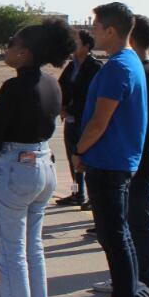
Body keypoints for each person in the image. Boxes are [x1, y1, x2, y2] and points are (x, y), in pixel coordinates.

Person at [0, 18, 76, 297]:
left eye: (11, 44)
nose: (7, 50)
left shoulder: (14, 87)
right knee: (33, 251)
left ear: (24, 52)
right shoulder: (53, 84)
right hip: (44, 164)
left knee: (11, 254)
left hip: (16, 164)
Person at [74, 2, 147, 297]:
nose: (94, 31)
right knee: (118, 234)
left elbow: (99, 122)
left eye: (97, 25)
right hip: (117, 161)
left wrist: (79, 151)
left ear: (112, 30)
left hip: (108, 162)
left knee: (114, 235)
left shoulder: (118, 67)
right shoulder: (129, 62)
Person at [94, 15, 149, 297]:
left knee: (139, 220)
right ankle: (127, 278)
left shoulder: (147, 72)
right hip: (132, 154)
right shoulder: (139, 68)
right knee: (125, 221)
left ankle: (147, 281)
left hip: (140, 155)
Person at [56, 29, 102, 209]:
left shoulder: (95, 67)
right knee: (72, 159)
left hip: (85, 120)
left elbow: (89, 95)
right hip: (70, 119)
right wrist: (61, 106)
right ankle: (76, 192)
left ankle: (93, 197)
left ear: (87, 46)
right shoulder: (71, 66)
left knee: (87, 160)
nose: (73, 45)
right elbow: (61, 87)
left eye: (77, 41)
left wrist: (71, 108)